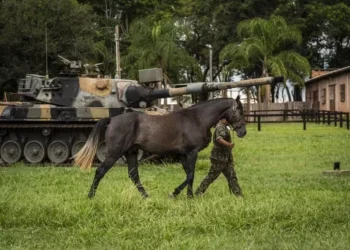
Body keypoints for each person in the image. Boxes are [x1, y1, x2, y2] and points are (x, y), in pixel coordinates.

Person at [195, 118, 243, 198]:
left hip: (225, 158)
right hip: (219, 158)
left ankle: (239, 196)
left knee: (232, 176)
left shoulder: (225, 126)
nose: (230, 121)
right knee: (211, 177)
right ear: (224, 118)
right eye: (228, 119)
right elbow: (219, 139)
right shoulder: (220, 126)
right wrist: (228, 144)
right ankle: (198, 193)